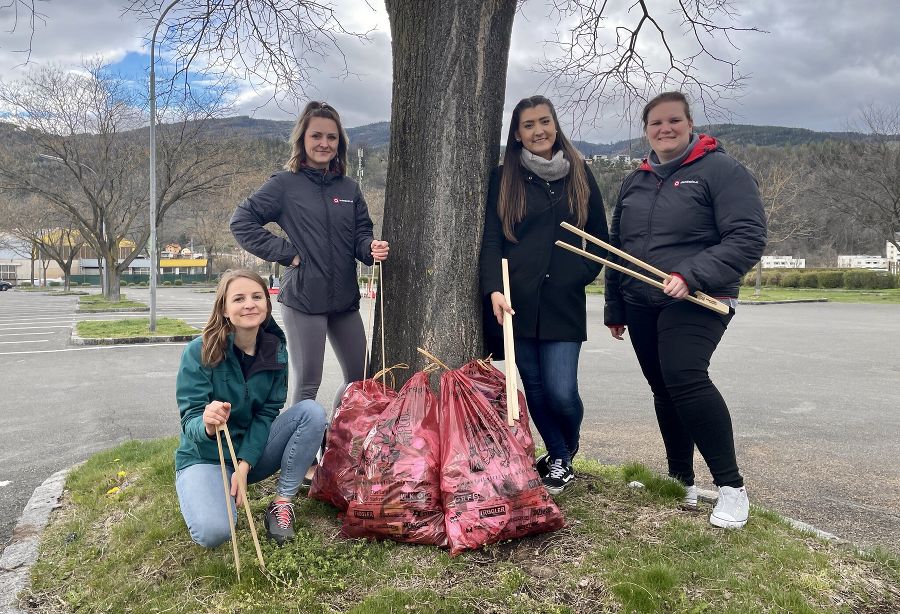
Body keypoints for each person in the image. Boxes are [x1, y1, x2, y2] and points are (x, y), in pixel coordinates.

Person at [604, 91, 767, 529]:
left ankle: (732, 489)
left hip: (701, 297)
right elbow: (619, 248)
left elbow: (747, 237)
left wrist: (691, 274)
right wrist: (615, 304)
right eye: (656, 123)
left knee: (684, 377)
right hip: (641, 299)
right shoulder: (635, 180)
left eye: (674, 120)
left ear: (690, 124)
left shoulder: (721, 170)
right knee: (662, 387)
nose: (665, 129)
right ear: (646, 130)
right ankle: (682, 481)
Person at [479, 95, 609, 495]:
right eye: (529, 125)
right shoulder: (504, 177)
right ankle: (559, 458)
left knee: (561, 391)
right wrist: (494, 290)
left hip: (563, 303)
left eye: (544, 122)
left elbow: (600, 241)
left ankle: (563, 450)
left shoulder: (581, 174)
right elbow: (492, 240)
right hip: (516, 303)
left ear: (555, 125)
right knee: (533, 388)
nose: (538, 131)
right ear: (517, 134)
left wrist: (576, 276)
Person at [230, 101, 389, 413]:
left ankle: (333, 441)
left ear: (339, 143)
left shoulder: (349, 188)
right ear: (303, 139)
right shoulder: (284, 184)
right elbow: (241, 222)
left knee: (360, 381)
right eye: (317, 136)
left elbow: (360, 234)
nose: (324, 143)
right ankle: (300, 458)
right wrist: (286, 253)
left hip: (344, 299)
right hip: (303, 298)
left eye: (331, 138)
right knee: (307, 384)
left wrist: (370, 247)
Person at [175, 270, 327, 547]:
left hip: (251, 454)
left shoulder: (276, 350)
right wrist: (207, 423)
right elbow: (190, 421)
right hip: (205, 457)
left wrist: (244, 465)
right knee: (214, 533)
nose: (249, 304)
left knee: (311, 412)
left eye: (257, 296)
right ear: (224, 308)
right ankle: (201, 489)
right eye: (239, 298)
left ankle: (281, 503)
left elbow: (267, 414)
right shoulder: (199, 351)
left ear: (267, 305)